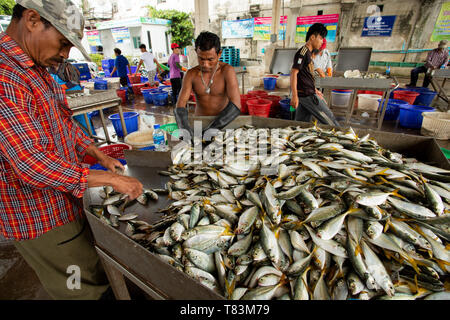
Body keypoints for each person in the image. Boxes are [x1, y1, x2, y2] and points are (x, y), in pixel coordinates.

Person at [0, 1, 143, 300]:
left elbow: (62, 123)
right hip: (39, 216)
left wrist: (97, 152)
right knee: (79, 289)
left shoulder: (34, 67)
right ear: (32, 19)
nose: (65, 54)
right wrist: (111, 180)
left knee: (92, 270)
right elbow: (29, 163)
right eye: (63, 42)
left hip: (64, 202)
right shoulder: (5, 76)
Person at [174, 32, 241, 140]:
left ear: (219, 54)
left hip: (222, 124)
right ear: (196, 52)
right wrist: (184, 129)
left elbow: (236, 105)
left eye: (210, 59)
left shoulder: (227, 71)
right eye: (201, 59)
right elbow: (180, 104)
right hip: (200, 122)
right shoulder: (191, 74)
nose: (205, 64)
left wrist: (211, 131)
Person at [290, 23, 340, 127]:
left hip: (307, 93)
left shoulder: (309, 53)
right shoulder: (303, 52)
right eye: (321, 38)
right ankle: (342, 141)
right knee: (331, 122)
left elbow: (305, 76)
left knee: (301, 126)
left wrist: (315, 90)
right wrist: (294, 96)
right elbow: (294, 73)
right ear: (312, 37)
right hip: (307, 96)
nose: (322, 42)